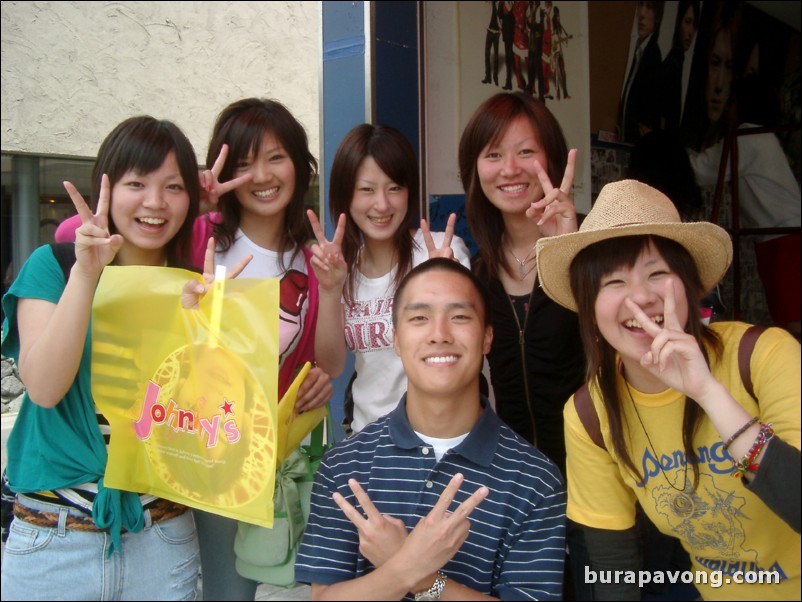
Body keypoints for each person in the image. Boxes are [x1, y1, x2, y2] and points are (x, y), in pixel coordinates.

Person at [536, 179, 801, 600]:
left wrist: (708, 391)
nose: (640, 298)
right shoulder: (591, 413)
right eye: (613, 282)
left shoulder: (764, 356)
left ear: (691, 285)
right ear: (589, 310)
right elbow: (613, 568)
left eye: (657, 273)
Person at [1, 116, 202, 600]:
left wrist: (209, 328)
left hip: (161, 535)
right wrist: (86, 276)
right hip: (53, 537)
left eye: (173, 186)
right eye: (138, 183)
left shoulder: (195, 285)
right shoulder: (55, 266)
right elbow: (45, 387)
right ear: (106, 188)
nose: (155, 202)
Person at [295, 258, 567, 600]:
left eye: (459, 317)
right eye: (419, 318)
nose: (439, 334)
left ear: (487, 338)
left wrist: (422, 577)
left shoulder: (535, 480)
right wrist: (406, 568)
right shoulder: (345, 466)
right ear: (396, 339)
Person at [183, 97, 334, 601]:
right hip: (207, 449)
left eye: (275, 157)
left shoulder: (312, 256)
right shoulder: (202, 235)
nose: (261, 176)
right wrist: (191, 203)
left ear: (299, 164)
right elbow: (90, 241)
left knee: (285, 583)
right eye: (243, 163)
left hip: (279, 457)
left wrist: (319, 378)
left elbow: (326, 363)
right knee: (227, 591)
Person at [307, 123, 470, 435]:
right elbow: (331, 366)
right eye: (366, 189)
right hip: (369, 443)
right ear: (346, 195)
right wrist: (330, 289)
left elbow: (467, 347)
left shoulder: (441, 252)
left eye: (394, 188)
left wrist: (440, 281)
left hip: (441, 438)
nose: (382, 204)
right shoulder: (341, 269)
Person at [458, 91, 584, 477]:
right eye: (493, 155)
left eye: (526, 152)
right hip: (514, 479)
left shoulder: (592, 249)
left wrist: (569, 254)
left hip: (597, 470)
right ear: (475, 169)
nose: (510, 169)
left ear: (553, 159)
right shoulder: (477, 274)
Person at [688, 75, 801, 339]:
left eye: (733, 101)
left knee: (793, 324)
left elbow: (702, 170)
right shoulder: (761, 137)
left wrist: (665, 149)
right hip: (779, 237)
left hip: (785, 239)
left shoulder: (748, 136)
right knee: (787, 320)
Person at [618, 1, 665, 143]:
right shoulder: (640, 50)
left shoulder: (653, 56)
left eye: (649, 7)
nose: (642, 14)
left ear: (657, 16)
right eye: (641, 5)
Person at [659, 0, 700, 132]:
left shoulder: (678, 61)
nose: (691, 32)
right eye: (687, 22)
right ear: (679, 22)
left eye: (694, 25)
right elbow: (664, 114)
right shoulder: (672, 63)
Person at [481, 1, 501, 86]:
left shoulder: (499, 3)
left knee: (496, 56)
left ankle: (495, 78)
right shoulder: (489, 3)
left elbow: (502, 17)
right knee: (486, 54)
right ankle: (487, 77)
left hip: (497, 32)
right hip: (489, 31)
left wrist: (501, 30)